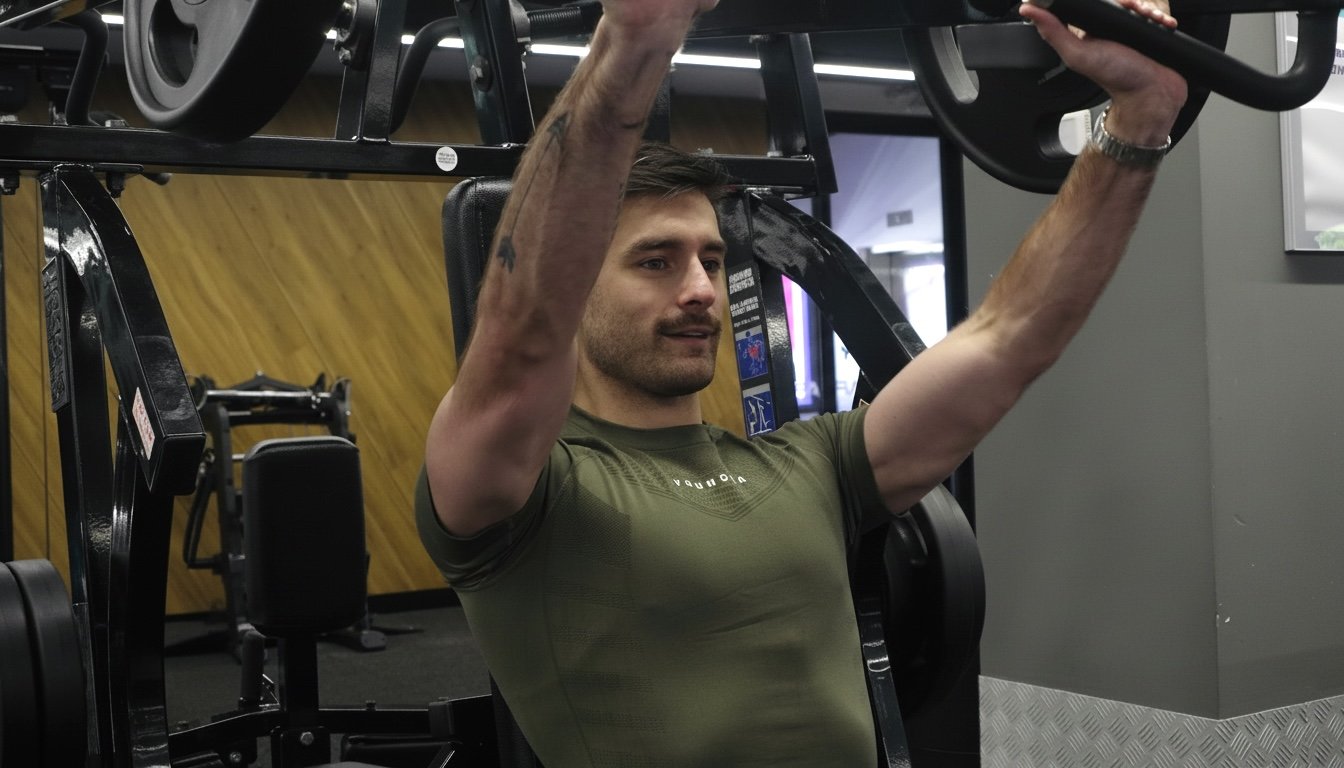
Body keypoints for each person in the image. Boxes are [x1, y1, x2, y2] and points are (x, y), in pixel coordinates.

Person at [416, 0, 1188, 764]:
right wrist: (635, 42)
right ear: (577, 284)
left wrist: (1142, 114)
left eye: (712, 261)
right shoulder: (526, 492)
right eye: (656, 262)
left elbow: (1011, 338)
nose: (701, 290)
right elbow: (524, 337)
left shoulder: (815, 463)